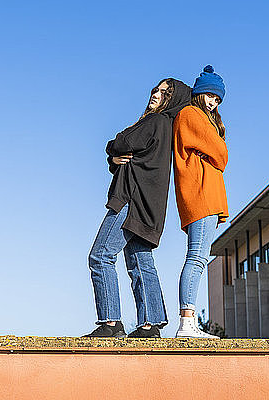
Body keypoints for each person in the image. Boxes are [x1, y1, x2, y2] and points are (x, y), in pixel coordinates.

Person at [84, 78, 191, 338]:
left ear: (173, 100)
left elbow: (120, 142)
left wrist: (112, 152)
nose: (157, 94)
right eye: (156, 89)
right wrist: (115, 160)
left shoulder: (154, 122)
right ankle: (150, 324)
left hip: (131, 200)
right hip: (150, 206)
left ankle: (111, 322)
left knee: (100, 256)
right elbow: (130, 156)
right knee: (140, 261)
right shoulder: (167, 128)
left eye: (165, 92)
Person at [172, 65, 229, 338]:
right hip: (201, 195)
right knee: (197, 258)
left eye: (217, 100)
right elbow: (221, 153)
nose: (213, 102)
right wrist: (216, 150)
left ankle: (190, 321)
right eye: (210, 96)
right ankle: (186, 322)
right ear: (200, 93)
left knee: (198, 258)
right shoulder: (191, 114)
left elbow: (218, 153)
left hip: (205, 195)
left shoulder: (200, 117)